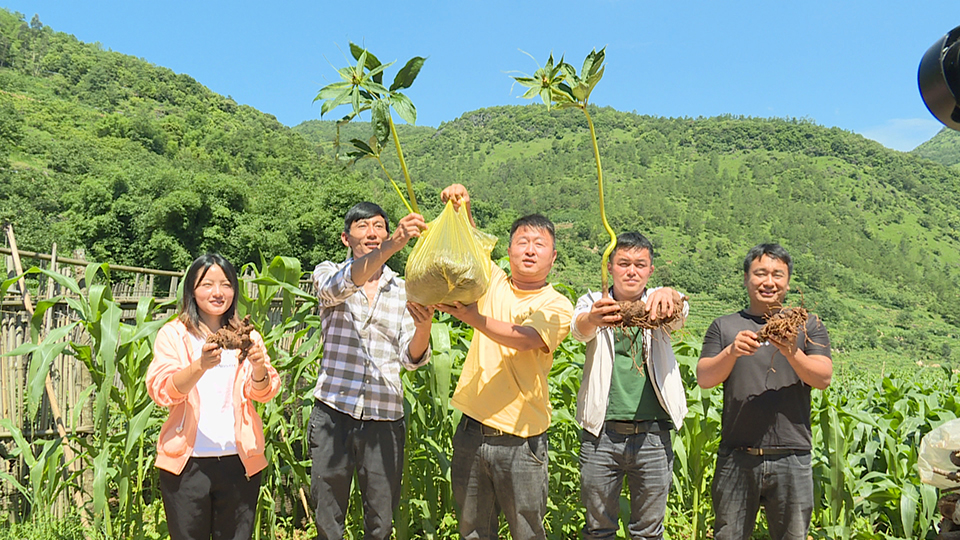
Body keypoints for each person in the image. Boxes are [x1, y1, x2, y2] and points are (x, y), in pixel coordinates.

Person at [434, 184, 574, 540]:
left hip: (522, 440)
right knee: (472, 531)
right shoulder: (492, 281)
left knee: (527, 531)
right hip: (471, 431)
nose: (530, 250)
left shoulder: (557, 305)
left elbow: (528, 339)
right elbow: (468, 239)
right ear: (508, 250)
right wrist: (462, 201)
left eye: (539, 244)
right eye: (522, 242)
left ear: (553, 257)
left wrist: (474, 319)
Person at [309, 202, 434, 540]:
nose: (372, 234)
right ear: (345, 237)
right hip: (334, 411)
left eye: (379, 226)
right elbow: (333, 289)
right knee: (327, 514)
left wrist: (424, 329)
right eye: (362, 227)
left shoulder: (406, 288)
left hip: (385, 415)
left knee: (381, 519)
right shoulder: (327, 271)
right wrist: (392, 245)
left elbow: (412, 358)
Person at [696, 243, 832, 540]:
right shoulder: (725, 326)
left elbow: (823, 377)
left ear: (787, 281)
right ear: (746, 278)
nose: (769, 282)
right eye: (760, 273)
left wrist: (791, 351)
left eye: (777, 275)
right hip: (737, 455)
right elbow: (705, 377)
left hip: (792, 456)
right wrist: (731, 352)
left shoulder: (807, 325)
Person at [147, 253, 281, 540]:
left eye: (226, 284)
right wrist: (200, 366)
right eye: (207, 284)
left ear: (234, 290)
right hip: (187, 464)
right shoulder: (174, 334)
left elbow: (264, 391)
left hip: (240, 460)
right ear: (192, 290)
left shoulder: (247, 336)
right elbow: (162, 391)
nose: (218, 292)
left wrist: (259, 367)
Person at [570, 232, 688, 540]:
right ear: (609, 267)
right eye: (623, 263)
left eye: (640, 264)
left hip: (652, 435)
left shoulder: (657, 304)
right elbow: (578, 329)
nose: (631, 271)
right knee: (598, 529)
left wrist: (669, 294)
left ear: (650, 269)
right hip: (601, 434)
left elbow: (679, 314)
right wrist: (593, 319)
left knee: (648, 532)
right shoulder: (595, 302)